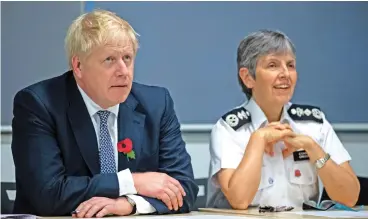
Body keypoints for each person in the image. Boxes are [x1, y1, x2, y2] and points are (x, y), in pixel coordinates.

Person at [11, 9, 198, 217]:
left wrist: (129, 204)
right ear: (79, 66)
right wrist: (131, 182)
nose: (123, 71)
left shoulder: (156, 104)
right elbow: (48, 194)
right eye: (109, 59)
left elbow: (184, 189)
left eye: (127, 58)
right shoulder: (39, 104)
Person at [206, 30, 360, 210]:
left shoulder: (313, 124)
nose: (285, 74)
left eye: (290, 65)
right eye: (273, 65)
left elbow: (350, 197)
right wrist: (258, 140)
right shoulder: (229, 129)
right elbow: (239, 201)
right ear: (248, 78)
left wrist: (313, 149)